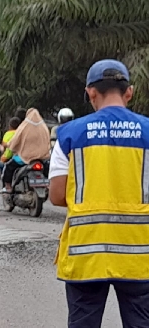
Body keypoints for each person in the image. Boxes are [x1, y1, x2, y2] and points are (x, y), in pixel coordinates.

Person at [49, 59, 149, 327]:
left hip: (86, 253)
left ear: (91, 92)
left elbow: (57, 195)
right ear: (129, 92)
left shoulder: (68, 134)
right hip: (141, 255)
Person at [0, 108, 51, 193]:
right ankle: (48, 185)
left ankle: (8, 187)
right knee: (48, 169)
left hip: (25, 158)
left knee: (9, 167)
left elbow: (15, 140)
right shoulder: (44, 128)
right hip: (41, 158)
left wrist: (11, 146)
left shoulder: (24, 127)